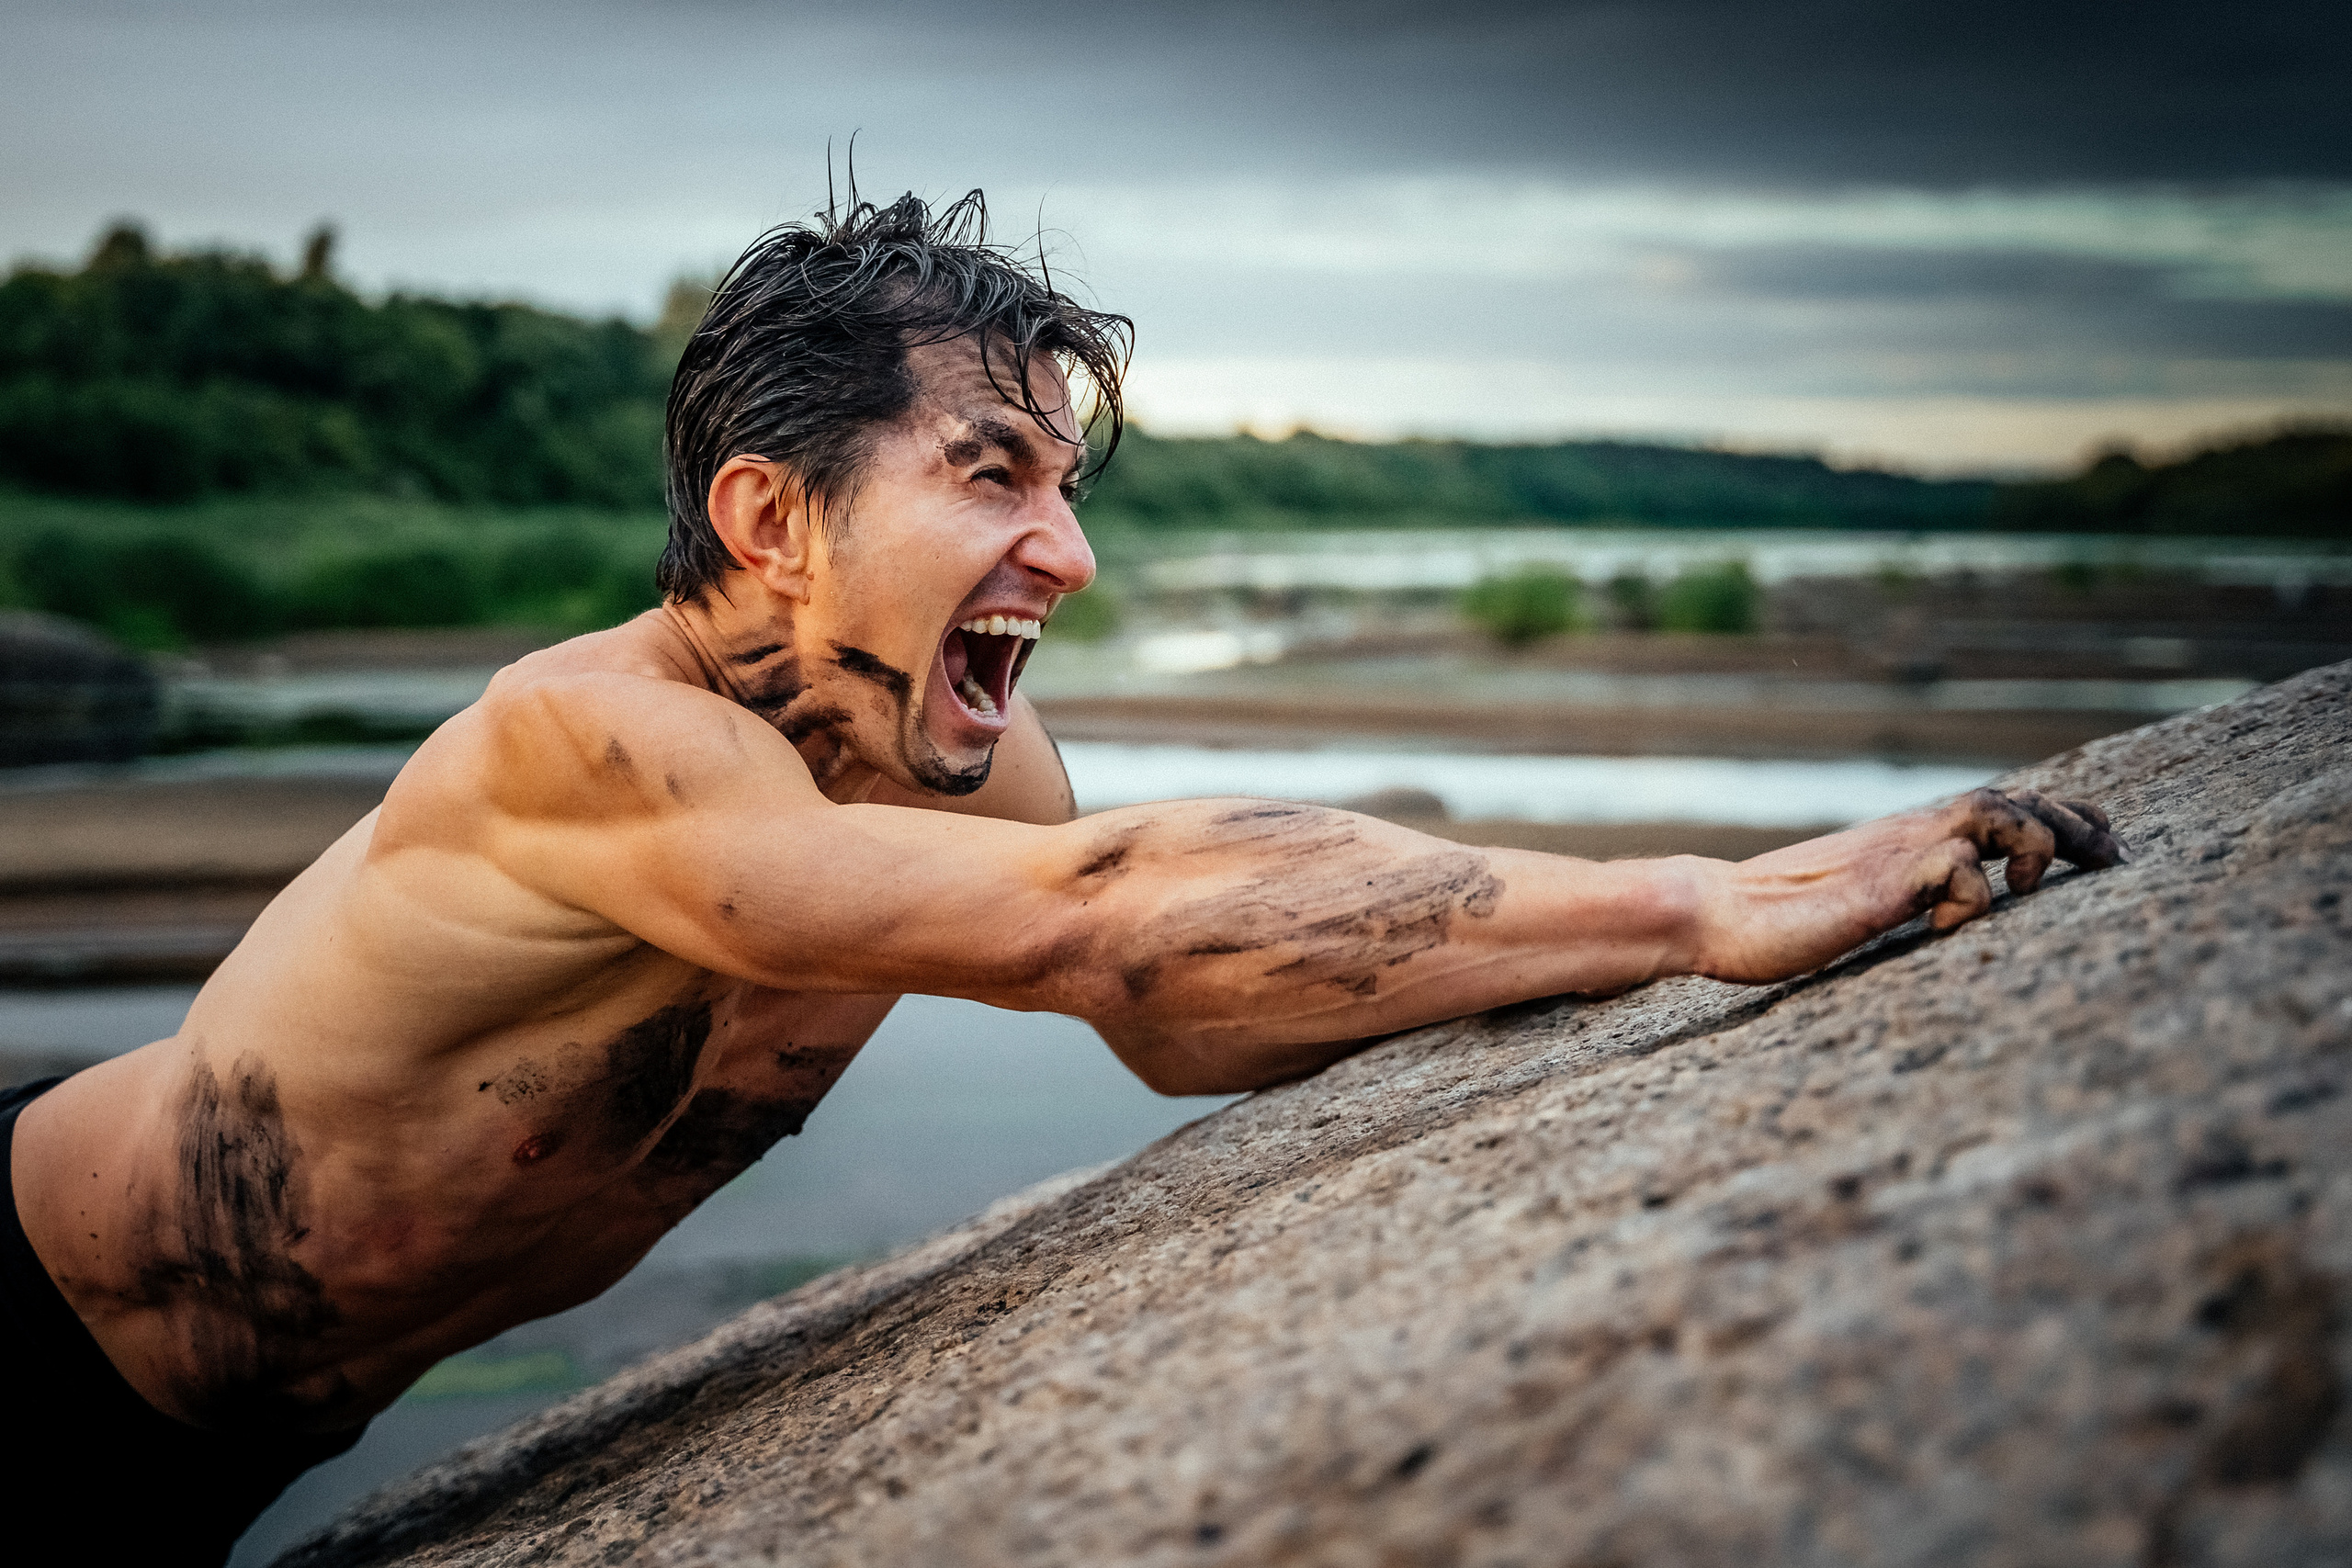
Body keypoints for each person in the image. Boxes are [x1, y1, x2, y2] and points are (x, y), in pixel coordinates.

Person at [2, 191, 2123, 1561]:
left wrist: (1587, 969)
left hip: (233, 1446)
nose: (1067, 555)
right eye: (989, 475)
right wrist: (1694, 901)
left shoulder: (961, 749)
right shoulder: (587, 740)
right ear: (769, 513)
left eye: (1069, 486)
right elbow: (1091, 911)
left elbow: (1169, 994)